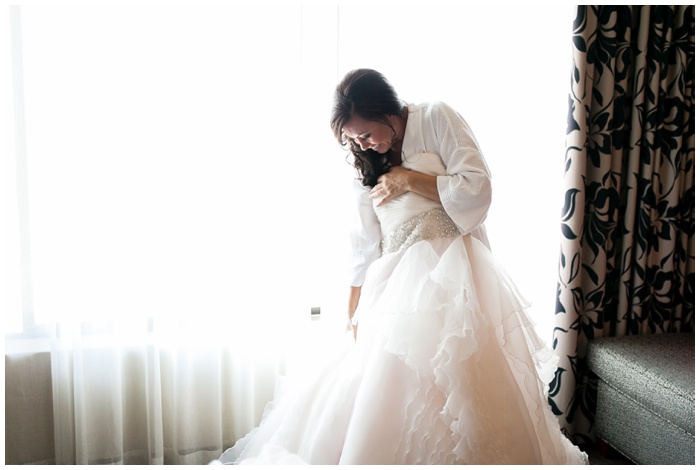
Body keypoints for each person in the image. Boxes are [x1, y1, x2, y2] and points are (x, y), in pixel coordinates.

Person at [217, 69, 589, 465]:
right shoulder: (364, 164)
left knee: (465, 385)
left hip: (453, 277)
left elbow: (477, 188)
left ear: (387, 110)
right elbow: (362, 246)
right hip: (395, 290)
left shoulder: (436, 117)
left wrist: (408, 179)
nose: (364, 145)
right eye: (353, 140)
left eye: (366, 133)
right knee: (382, 389)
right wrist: (352, 311)